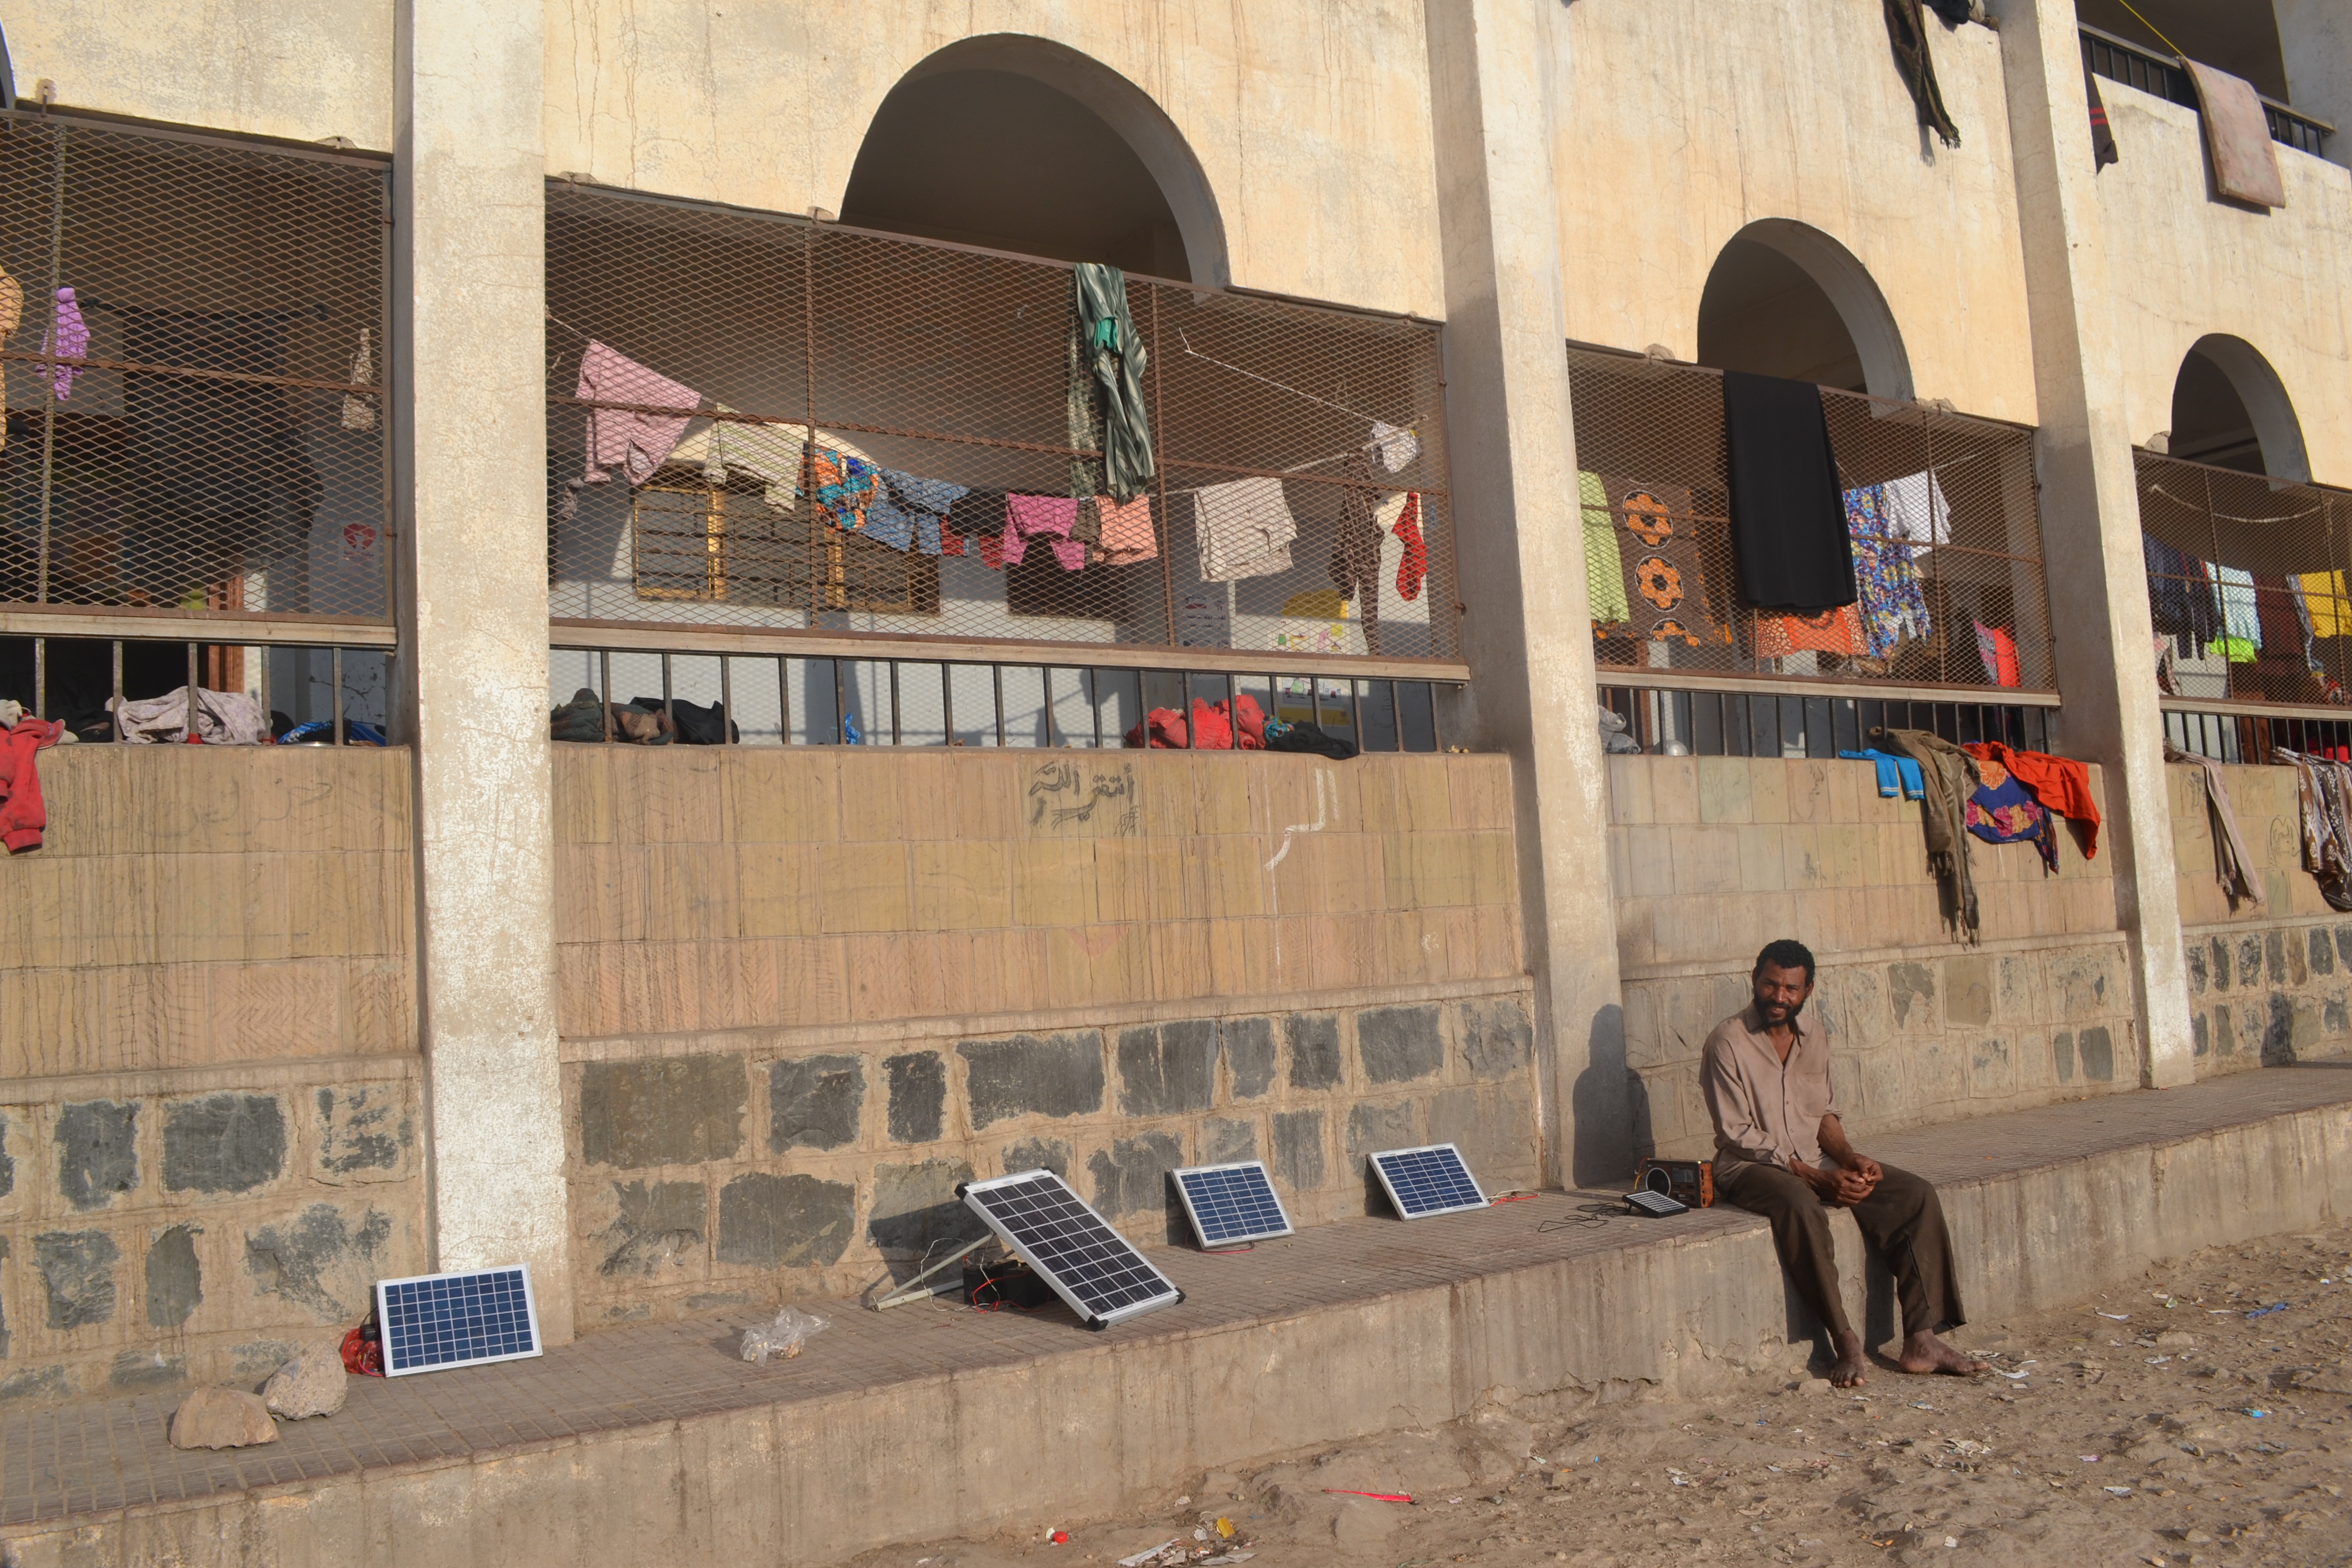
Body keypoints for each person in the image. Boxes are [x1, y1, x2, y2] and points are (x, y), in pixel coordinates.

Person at [1701, 939, 1987, 1387]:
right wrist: (1814, 1176)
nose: (1779, 997)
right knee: (1800, 1204)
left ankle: (1922, 1339)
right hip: (1749, 1168)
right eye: (1770, 984)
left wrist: (1852, 1159)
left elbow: (1824, 1116)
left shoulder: (1815, 1036)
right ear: (1754, 981)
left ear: (1808, 990)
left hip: (1815, 1162)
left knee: (1914, 1195)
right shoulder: (1727, 1041)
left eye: (1791, 989)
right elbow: (1737, 1134)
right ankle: (1846, 1340)